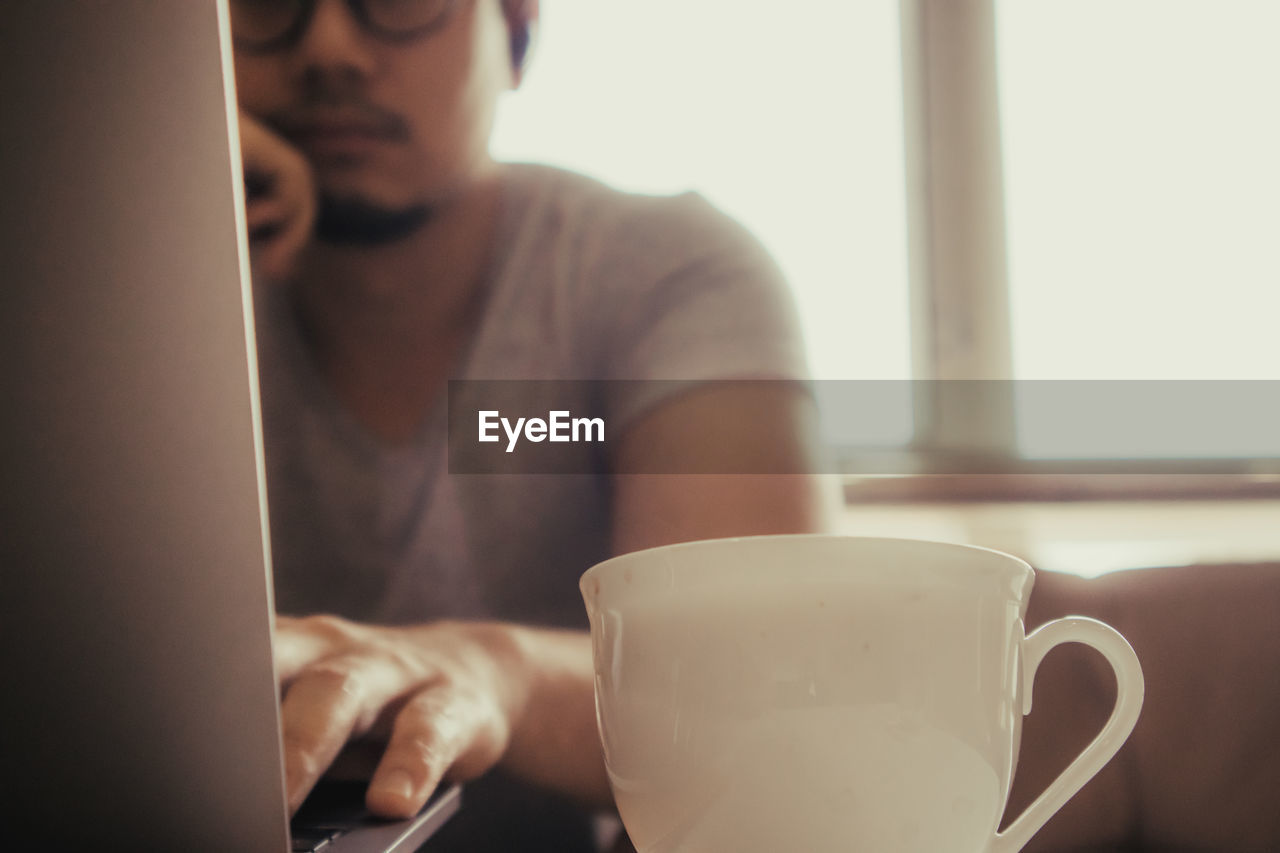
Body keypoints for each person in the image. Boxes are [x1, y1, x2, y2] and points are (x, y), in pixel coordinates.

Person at [232, 0, 829, 849]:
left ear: (514, 33)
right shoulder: (112, 285)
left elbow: (766, 694)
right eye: (263, 3)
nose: (327, 46)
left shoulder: (664, 274)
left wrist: (495, 673)